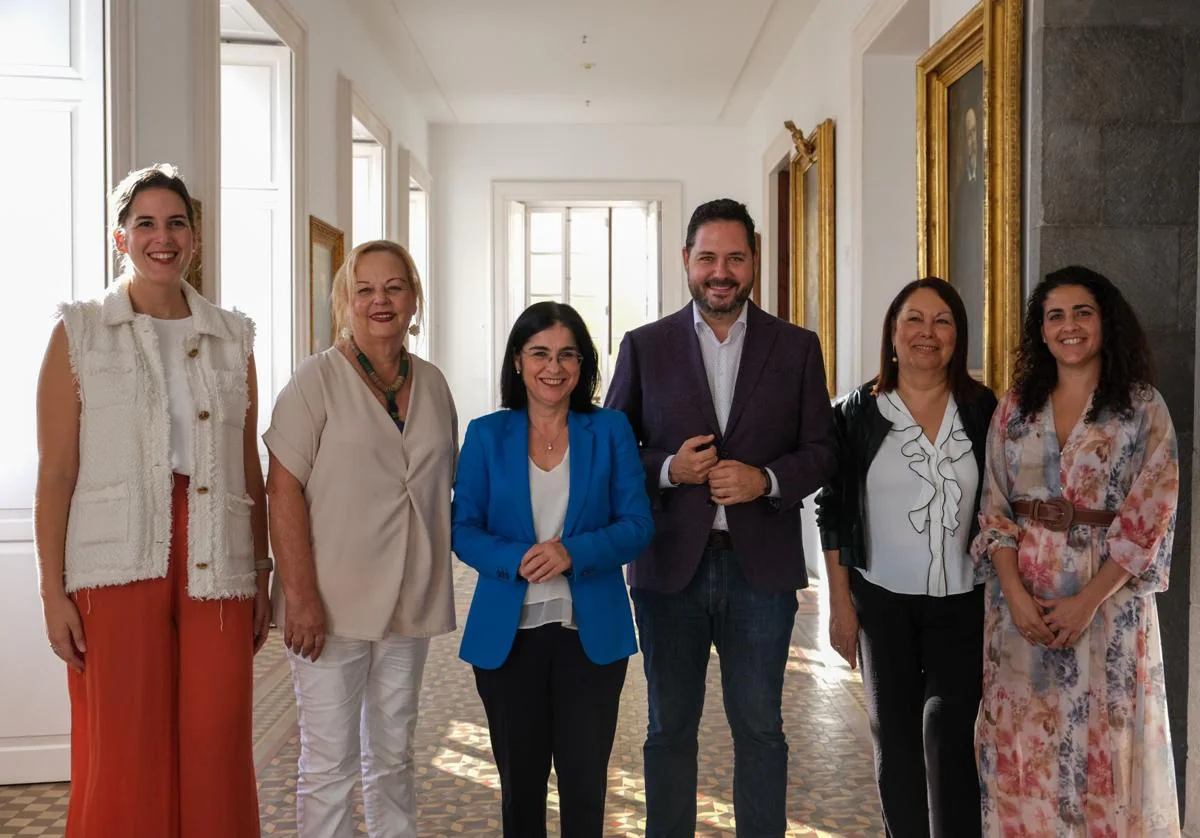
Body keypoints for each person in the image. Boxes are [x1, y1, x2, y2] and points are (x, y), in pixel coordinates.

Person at [35, 163, 268, 837]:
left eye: (176, 223)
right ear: (120, 238)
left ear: (195, 237)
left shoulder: (234, 337)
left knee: (216, 740)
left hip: (216, 557)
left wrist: (261, 571)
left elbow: (246, 463)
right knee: (125, 744)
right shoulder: (77, 331)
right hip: (114, 561)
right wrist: (53, 593)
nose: (161, 238)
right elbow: (56, 475)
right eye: (145, 224)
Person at [605, 198, 837, 836]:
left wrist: (765, 479)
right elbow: (610, 447)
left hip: (759, 573)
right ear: (686, 261)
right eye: (707, 256)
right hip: (668, 571)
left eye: (735, 257)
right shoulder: (644, 346)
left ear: (754, 262)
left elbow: (822, 450)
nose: (720, 270)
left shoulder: (797, 347)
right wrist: (667, 470)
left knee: (761, 728)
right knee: (667, 729)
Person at [972, 265, 1180, 835]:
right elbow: (994, 507)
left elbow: (1150, 517)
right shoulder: (1015, 406)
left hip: (1108, 608)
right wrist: (1013, 594)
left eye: (1082, 312)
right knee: (1022, 748)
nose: (1069, 326)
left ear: (1105, 322)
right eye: (1055, 315)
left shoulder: (1142, 408)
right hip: (1021, 611)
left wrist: (1087, 600)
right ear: (1041, 331)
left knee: (1106, 746)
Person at [264, 239, 457, 838]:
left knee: (394, 755)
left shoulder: (432, 383)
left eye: (394, 287)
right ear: (345, 300)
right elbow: (281, 491)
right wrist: (299, 597)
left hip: (409, 601)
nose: (381, 300)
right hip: (329, 604)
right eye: (365, 288)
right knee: (329, 765)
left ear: (413, 298)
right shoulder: (314, 380)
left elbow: (440, 484)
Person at [453, 301, 653, 838]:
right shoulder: (486, 434)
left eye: (568, 354)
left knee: (585, 787)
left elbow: (638, 524)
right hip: (507, 637)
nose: (553, 367)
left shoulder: (610, 430)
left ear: (583, 364)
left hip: (590, 635)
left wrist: (574, 552)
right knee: (521, 789)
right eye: (539, 352)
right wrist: (512, 559)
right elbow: (463, 528)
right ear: (518, 361)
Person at [815, 278, 996, 837]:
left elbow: (1001, 499)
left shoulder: (983, 407)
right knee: (893, 737)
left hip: (963, 601)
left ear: (958, 337)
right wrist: (840, 605)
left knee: (950, 731)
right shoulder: (854, 413)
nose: (927, 333)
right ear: (892, 333)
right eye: (913, 320)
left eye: (942, 321)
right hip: (881, 601)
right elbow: (834, 509)